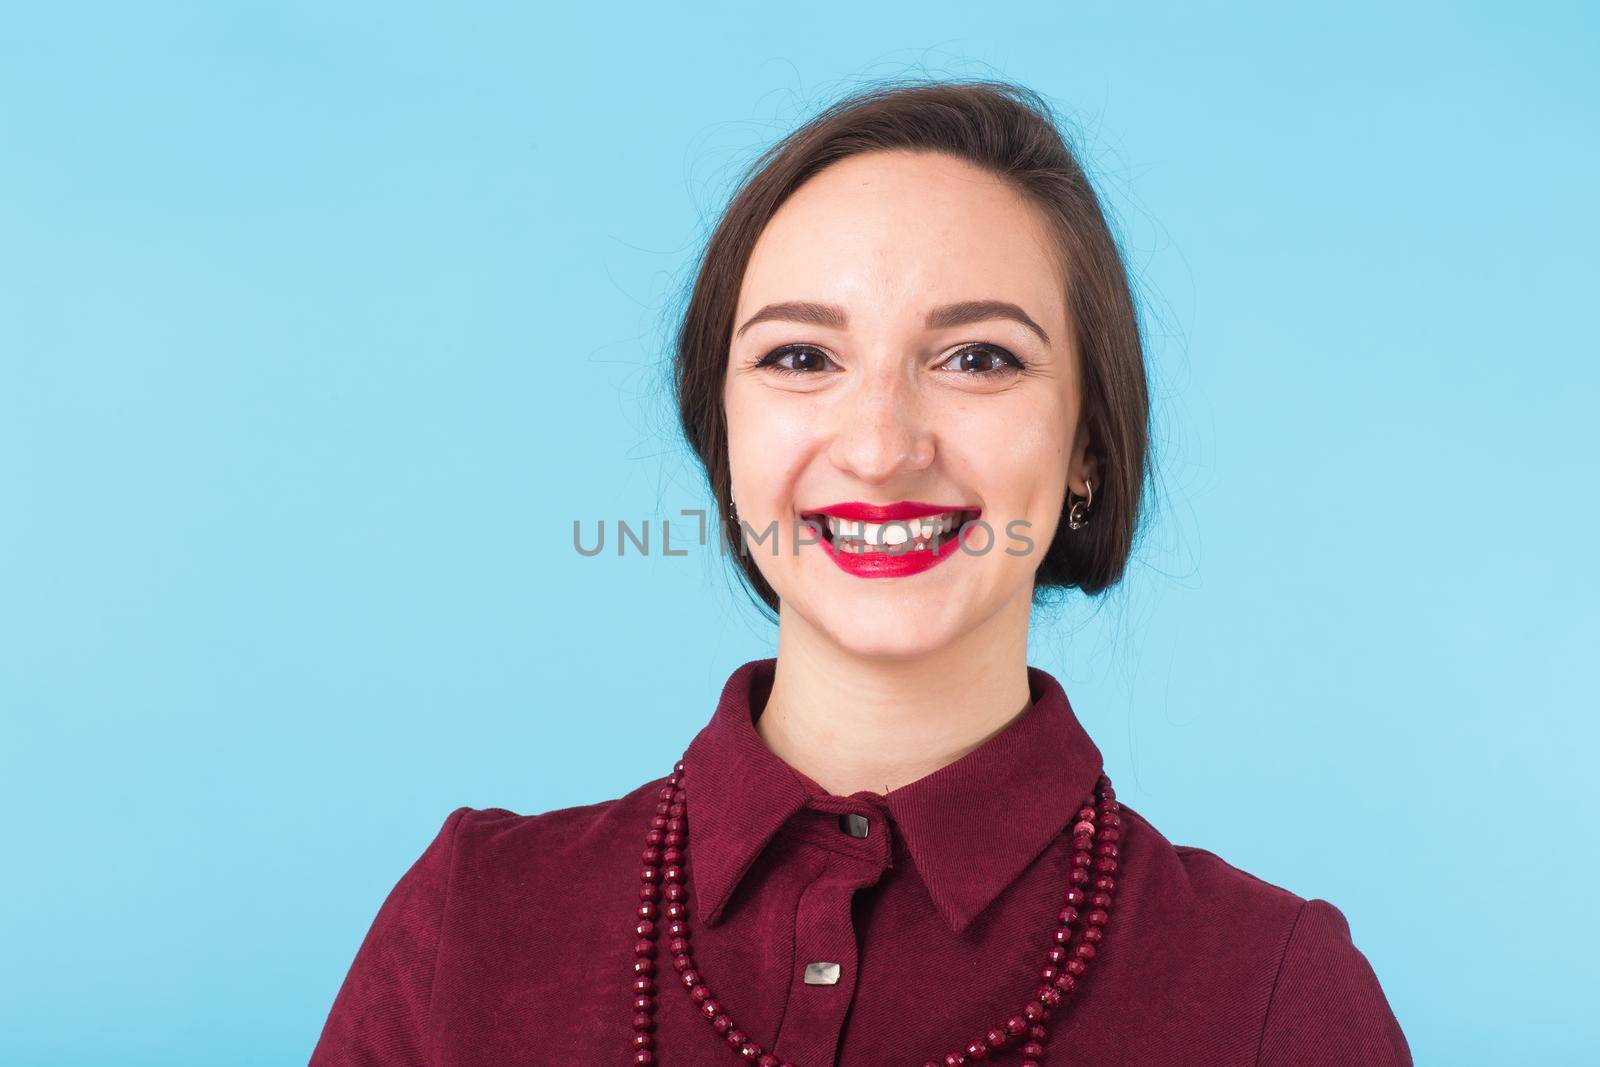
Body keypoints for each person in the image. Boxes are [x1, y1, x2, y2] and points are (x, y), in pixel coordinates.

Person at [309, 79, 1411, 1066]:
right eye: (801, 357)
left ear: (1086, 444)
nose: (881, 445)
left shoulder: (1275, 992)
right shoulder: (475, 917)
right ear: (722, 427)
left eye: (978, 357)